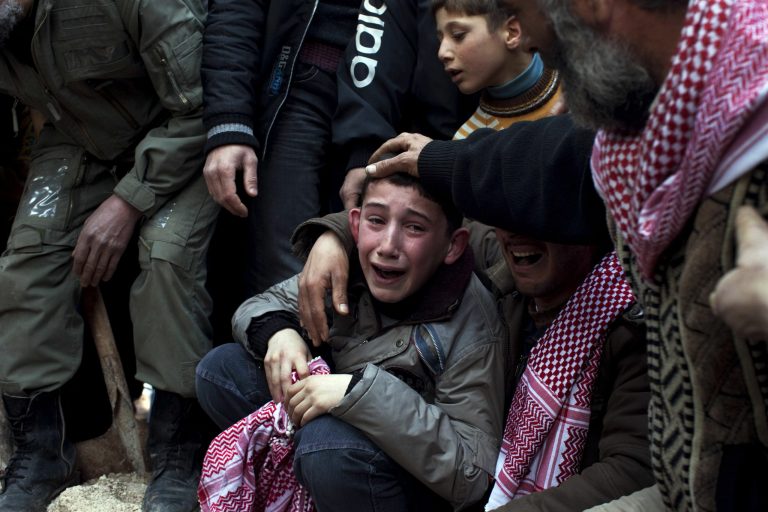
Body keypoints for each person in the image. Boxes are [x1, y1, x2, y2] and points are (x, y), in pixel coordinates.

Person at [360, 1, 768, 507]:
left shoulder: (750, 121)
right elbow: (556, 160)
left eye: (527, 20)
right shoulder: (648, 131)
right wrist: (334, 237)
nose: (532, 46)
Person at [294, 115, 654, 511]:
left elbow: (631, 471)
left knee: (328, 448)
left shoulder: (632, 322)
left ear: (587, 224)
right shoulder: (502, 257)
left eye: (539, 215)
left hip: (511, 496)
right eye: (505, 212)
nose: (516, 232)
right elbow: (416, 223)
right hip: (460, 473)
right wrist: (334, 237)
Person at [0, 1, 219, 510]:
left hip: (183, 133)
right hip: (79, 139)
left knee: (166, 255)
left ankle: (178, 451)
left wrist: (128, 201)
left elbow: (204, 105)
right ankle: (41, 453)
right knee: (25, 263)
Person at [196, 172, 507, 510]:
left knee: (324, 446)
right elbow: (262, 305)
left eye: (414, 228)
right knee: (220, 370)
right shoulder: (348, 265)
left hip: (399, 480)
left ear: (453, 245)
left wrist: (357, 393)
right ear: (355, 225)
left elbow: (472, 473)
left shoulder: (472, 324)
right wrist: (280, 333)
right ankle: (299, 495)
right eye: (377, 221)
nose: (387, 246)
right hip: (333, 440)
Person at [201, 0, 359, 295]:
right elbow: (236, 11)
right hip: (298, 82)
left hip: (391, 99)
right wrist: (229, 121)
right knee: (285, 275)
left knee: (377, 263)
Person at [333, 0, 479, 209]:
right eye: (440, 37)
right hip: (407, 160)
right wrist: (365, 156)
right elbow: (374, 57)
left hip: (482, 167)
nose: (443, 51)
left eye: (457, 35)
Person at [432, 0, 562, 139]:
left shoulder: (575, 77)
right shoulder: (470, 142)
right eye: (440, 40)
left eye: (458, 35)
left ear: (511, 32)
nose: (442, 52)